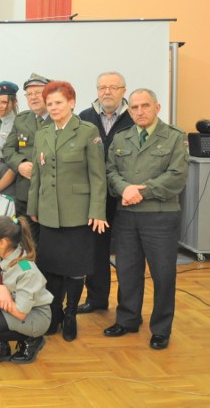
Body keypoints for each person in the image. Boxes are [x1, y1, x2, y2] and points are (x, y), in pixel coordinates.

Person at [104, 89, 188, 350]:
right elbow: (110, 171)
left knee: (163, 274)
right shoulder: (121, 137)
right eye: (135, 107)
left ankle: (161, 328)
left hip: (161, 216)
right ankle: (128, 319)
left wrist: (140, 191)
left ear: (157, 107)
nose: (140, 111)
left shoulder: (174, 137)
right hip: (127, 216)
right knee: (128, 271)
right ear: (129, 111)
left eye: (145, 106)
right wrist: (123, 189)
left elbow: (176, 176)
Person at [27, 81, 107, 342]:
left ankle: (71, 313)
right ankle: (55, 312)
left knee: (74, 268)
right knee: (50, 267)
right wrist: (34, 208)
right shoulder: (43, 133)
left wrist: (97, 210)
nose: (54, 107)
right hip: (49, 212)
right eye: (49, 104)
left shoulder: (87, 131)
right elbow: (37, 175)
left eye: (58, 102)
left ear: (72, 103)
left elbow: (98, 176)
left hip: (78, 213)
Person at [77, 71, 134, 315]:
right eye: (102, 88)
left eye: (112, 87)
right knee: (95, 250)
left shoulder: (135, 116)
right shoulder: (86, 117)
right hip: (96, 197)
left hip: (127, 197)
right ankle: (97, 298)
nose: (106, 92)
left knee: (128, 254)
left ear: (123, 90)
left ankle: (128, 306)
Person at [0, 215, 52, 366]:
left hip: (33, 314)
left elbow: (21, 312)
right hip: (9, 304)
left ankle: (31, 340)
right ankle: (1, 348)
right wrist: (1, 288)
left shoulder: (26, 270)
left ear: (3, 243)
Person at [3, 72, 52, 241]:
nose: (33, 98)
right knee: (28, 244)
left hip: (51, 193)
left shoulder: (59, 119)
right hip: (25, 192)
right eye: (29, 94)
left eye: (38, 93)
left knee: (51, 245)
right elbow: (8, 150)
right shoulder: (22, 119)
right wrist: (20, 164)